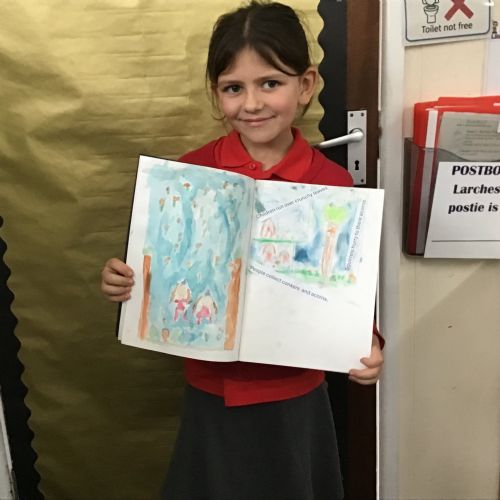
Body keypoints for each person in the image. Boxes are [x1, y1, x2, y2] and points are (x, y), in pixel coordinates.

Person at [101, 2, 384, 499]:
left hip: (296, 396)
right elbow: (161, 272)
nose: (252, 103)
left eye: (270, 83)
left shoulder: (333, 185)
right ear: (217, 92)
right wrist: (125, 282)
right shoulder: (190, 175)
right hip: (212, 392)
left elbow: (346, 289)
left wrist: (369, 342)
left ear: (306, 85)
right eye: (234, 88)